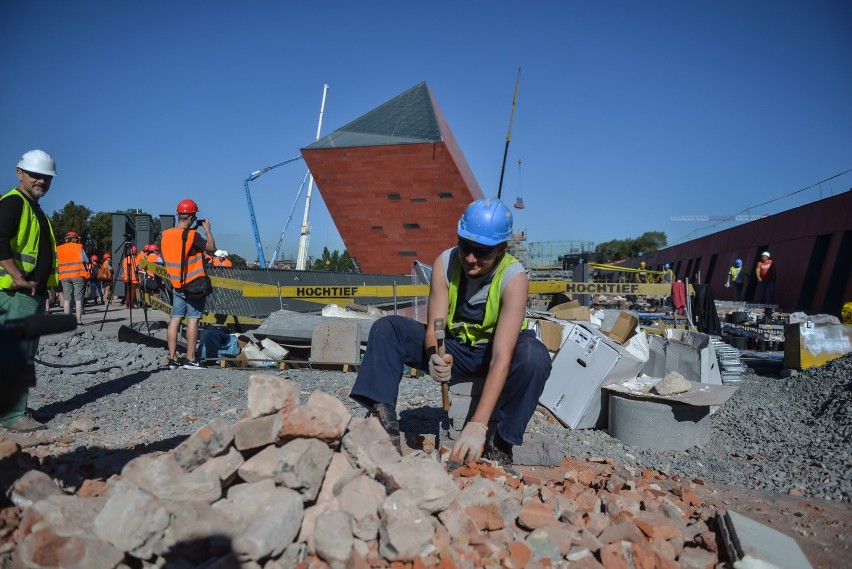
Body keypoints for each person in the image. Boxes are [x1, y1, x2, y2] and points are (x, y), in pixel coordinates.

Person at [350, 198, 552, 465]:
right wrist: (434, 354)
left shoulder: (513, 278)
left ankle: (501, 442)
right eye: (465, 246)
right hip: (457, 349)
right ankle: (381, 425)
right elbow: (436, 325)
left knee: (534, 357)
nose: (470, 258)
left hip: (498, 352)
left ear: (502, 249)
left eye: (481, 252)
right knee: (388, 328)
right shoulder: (445, 264)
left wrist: (478, 424)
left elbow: (502, 357)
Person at [0, 150, 59, 431]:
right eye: (36, 175)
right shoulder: (14, 202)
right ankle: (12, 416)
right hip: (15, 293)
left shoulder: (33, 208)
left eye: (46, 177)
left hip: (29, 294)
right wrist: (18, 277)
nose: (41, 181)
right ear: (19, 173)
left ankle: (13, 407)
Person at [160, 198, 217, 369]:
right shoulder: (193, 236)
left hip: (176, 284)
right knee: (193, 319)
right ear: (192, 218)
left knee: (175, 318)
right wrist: (207, 230)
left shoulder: (165, 235)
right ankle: (191, 359)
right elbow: (212, 248)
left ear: (179, 215)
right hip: (194, 285)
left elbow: (179, 246)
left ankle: (172, 358)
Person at [56, 230, 89, 324]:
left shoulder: (59, 248)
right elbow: (85, 260)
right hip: (78, 275)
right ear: (75, 239)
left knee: (67, 299)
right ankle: (78, 321)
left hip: (64, 276)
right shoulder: (79, 247)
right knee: (78, 299)